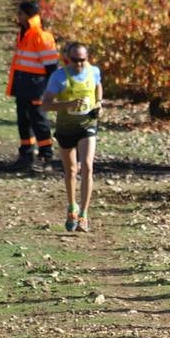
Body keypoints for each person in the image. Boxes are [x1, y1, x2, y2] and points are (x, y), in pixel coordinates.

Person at [40, 42, 102, 232]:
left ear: (88, 58)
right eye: (74, 60)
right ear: (67, 59)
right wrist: (67, 105)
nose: (79, 64)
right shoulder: (59, 77)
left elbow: (98, 86)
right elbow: (46, 105)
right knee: (71, 171)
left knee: (88, 167)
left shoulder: (94, 71)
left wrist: (99, 103)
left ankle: (83, 214)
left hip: (87, 125)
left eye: (82, 60)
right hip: (66, 128)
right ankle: (72, 207)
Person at [5, 0, 60, 171]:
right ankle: (26, 155)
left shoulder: (42, 37)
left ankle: (46, 157)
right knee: (24, 122)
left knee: (39, 122)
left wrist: (49, 92)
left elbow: (52, 67)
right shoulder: (24, 34)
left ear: (27, 15)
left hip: (37, 88)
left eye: (20, 13)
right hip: (23, 86)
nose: (18, 17)